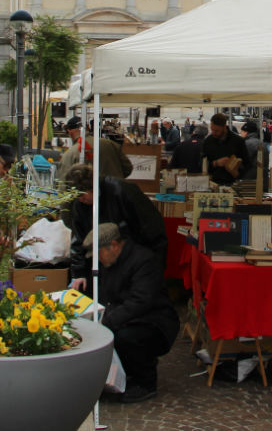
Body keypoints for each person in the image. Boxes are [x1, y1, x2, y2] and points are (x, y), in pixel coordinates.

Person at [87, 222, 179, 404]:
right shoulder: (111, 262)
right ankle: (129, 374)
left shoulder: (143, 260)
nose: (97, 259)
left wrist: (107, 322)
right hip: (131, 317)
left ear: (113, 245)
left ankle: (146, 383)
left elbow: (140, 301)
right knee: (115, 333)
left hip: (156, 322)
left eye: (99, 253)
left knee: (126, 336)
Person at [64, 164, 166, 292]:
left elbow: (152, 229)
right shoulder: (80, 206)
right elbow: (79, 239)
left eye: (83, 195)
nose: (81, 200)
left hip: (134, 260)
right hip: (104, 264)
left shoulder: (122, 191)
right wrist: (79, 273)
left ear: (92, 188)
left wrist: (155, 265)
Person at [56, 116, 133, 182]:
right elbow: (128, 168)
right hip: (115, 194)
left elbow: (64, 182)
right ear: (88, 128)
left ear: (70, 132)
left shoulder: (70, 154)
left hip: (87, 197)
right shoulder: (110, 144)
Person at [201, 113, 246, 185]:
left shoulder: (238, 141)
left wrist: (236, 171)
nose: (213, 133)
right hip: (213, 183)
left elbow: (247, 164)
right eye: (212, 129)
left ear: (224, 127)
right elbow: (201, 164)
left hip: (234, 184)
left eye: (217, 131)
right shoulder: (208, 141)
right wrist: (216, 163)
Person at [241, 119, 268, 188]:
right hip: (263, 179)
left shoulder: (247, 144)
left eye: (242, 132)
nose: (241, 134)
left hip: (250, 182)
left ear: (246, 132)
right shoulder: (262, 144)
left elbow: (242, 162)